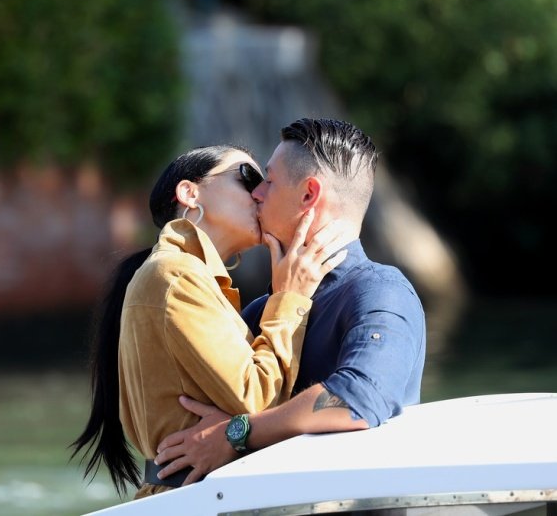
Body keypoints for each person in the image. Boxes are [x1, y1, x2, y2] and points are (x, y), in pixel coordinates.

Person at [154, 118, 427, 485]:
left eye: (267, 181)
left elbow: (357, 401)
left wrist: (236, 434)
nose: (257, 194)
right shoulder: (258, 313)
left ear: (309, 194)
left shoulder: (380, 291)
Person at [70, 144, 349, 498]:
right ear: (190, 193)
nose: (261, 193)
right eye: (248, 178)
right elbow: (257, 399)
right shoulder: (176, 276)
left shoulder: (184, 277)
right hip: (197, 498)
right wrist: (288, 299)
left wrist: (230, 430)